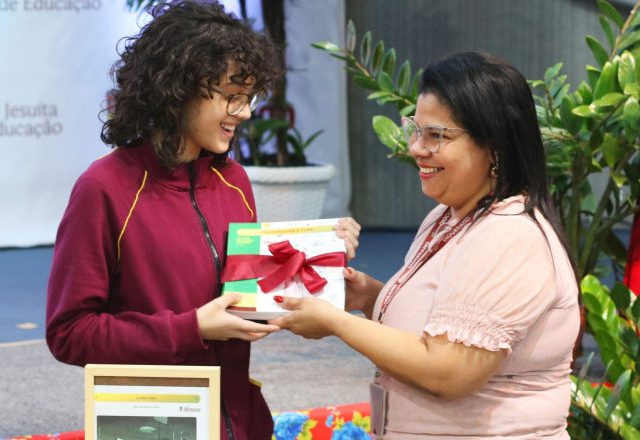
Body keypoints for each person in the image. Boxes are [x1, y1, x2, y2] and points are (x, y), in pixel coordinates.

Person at [44, 2, 359, 439]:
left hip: (240, 422)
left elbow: (246, 303)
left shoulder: (234, 182)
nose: (244, 112)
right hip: (152, 425)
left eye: (248, 97)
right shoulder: (104, 188)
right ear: (178, 88)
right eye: (232, 96)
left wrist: (322, 257)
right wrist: (188, 329)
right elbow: (69, 334)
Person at [271, 51, 581, 439]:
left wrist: (337, 323)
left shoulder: (510, 236)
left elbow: (447, 372)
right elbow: (443, 322)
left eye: (436, 136)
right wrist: (370, 297)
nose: (416, 148)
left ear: (494, 147)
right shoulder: (446, 216)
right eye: (415, 130)